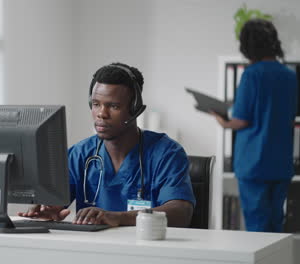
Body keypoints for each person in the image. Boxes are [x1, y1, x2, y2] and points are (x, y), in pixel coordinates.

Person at [18, 62, 195, 227]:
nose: (101, 114)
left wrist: (118, 217)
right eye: (96, 104)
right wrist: (48, 209)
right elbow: (55, 200)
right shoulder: (79, 154)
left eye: (114, 106)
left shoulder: (166, 153)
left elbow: (181, 212)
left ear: (134, 109)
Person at [211, 19, 298, 232]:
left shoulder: (251, 74)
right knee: (276, 225)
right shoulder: (290, 75)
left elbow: (241, 120)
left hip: (254, 164)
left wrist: (222, 120)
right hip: (281, 164)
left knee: (257, 227)